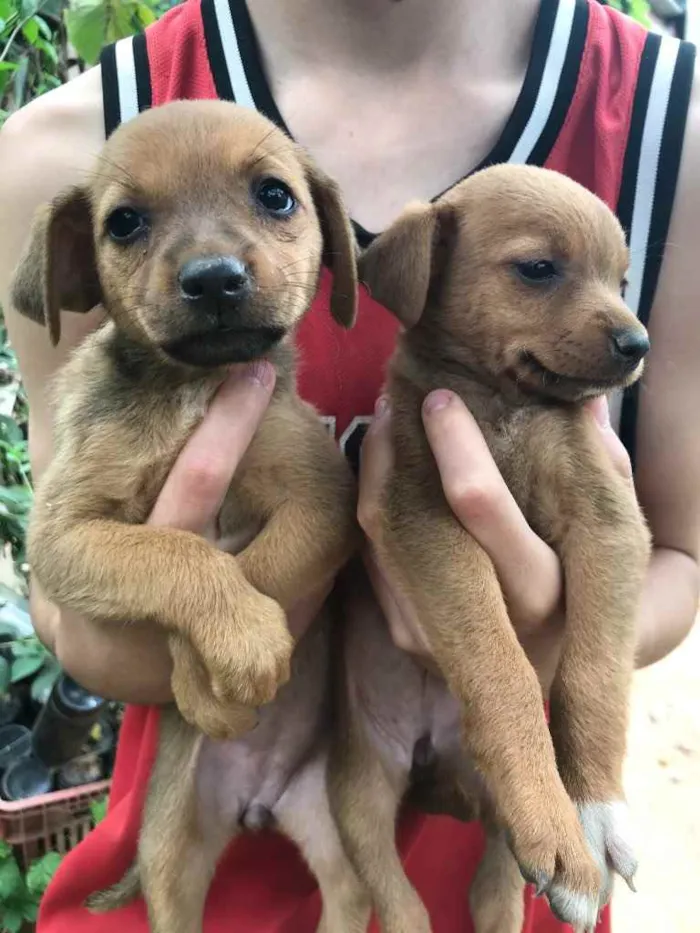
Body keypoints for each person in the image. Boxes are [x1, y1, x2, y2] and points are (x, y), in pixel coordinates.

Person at [0, 0, 698, 929]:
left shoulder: (669, 133)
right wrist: (212, 618)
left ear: (330, 234)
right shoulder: (64, 145)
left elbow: (678, 560)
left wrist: (532, 656)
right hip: (203, 862)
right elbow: (66, 589)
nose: (211, 264)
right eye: (130, 225)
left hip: (521, 868)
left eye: (273, 199)